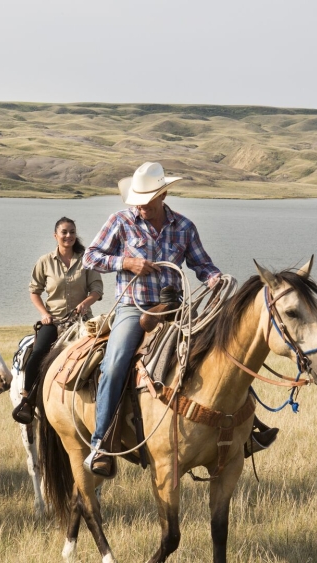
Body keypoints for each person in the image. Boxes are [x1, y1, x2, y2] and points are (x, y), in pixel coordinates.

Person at [81, 162, 276, 477]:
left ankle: (247, 429)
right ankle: (101, 443)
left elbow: (202, 264)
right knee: (115, 363)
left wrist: (216, 280)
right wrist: (126, 262)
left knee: (224, 352)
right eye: (137, 200)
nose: (141, 205)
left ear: (164, 194)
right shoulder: (120, 222)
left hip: (177, 309)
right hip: (134, 307)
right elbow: (90, 256)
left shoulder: (184, 226)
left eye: (147, 198)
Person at [11, 217, 103, 424]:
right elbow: (34, 291)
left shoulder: (87, 260)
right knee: (37, 353)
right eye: (64, 232)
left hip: (82, 321)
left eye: (72, 232)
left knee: (103, 352)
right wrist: (44, 314)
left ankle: (103, 398)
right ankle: (28, 400)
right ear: (56, 236)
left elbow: (97, 289)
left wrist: (86, 303)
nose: (68, 236)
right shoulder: (44, 261)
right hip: (54, 321)